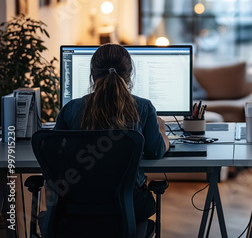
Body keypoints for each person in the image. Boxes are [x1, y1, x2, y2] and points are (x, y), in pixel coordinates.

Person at [55, 44, 169, 223]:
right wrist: (162, 131)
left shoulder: (70, 109)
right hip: (129, 208)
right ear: (129, 75)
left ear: (92, 75)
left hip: (77, 208)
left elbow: (55, 154)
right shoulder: (144, 107)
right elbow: (155, 151)